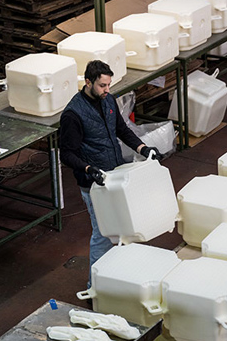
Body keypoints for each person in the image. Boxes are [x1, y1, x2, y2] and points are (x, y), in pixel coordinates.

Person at [59, 60, 162, 287]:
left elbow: (122, 131)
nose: (107, 90)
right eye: (102, 86)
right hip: (94, 184)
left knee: (124, 227)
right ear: (88, 82)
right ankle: (95, 286)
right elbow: (66, 154)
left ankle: (117, 277)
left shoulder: (109, 101)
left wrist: (143, 149)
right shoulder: (73, 114)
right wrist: (89, 169)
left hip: (114, 176)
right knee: (103, 233)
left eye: (108, 85)